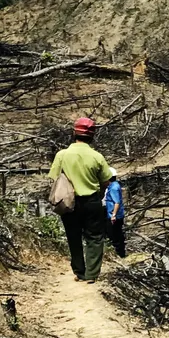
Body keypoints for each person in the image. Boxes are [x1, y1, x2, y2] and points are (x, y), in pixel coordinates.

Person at [48, 117, 112, 284]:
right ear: (92, 136)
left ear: (74, 132)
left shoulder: (61, 155)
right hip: (92, 201)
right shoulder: (97, 157)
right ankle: (92, 274)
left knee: (73, 237)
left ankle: (80, 272)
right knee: (95, 237)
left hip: (69, 204)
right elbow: (106, 181)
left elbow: (54, 178)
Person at [103, 166, 127, 258]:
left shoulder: (113, 188)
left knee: (114, 234)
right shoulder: (115, 185)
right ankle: (120, 253)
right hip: (116, 214)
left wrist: (113, 215)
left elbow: (116, 202)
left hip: (114, 215)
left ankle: (119, 254)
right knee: (117, 234)